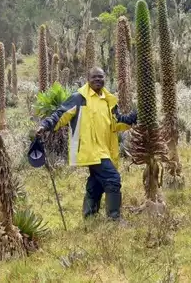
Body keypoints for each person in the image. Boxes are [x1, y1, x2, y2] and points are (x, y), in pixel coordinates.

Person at [35, 67, 136, 220]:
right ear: (87, 79)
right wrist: (45, 125)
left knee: (96, 183)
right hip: (89, 149)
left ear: (105, 79)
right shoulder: (79, 98)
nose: (98, 79)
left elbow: (117, 123)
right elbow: (61, 114)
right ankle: (114, 218)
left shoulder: (108, 100)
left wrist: (134, 117)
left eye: (100, 77)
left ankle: (89, 216)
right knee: (112, 179)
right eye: (94, 77)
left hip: (105, 149)